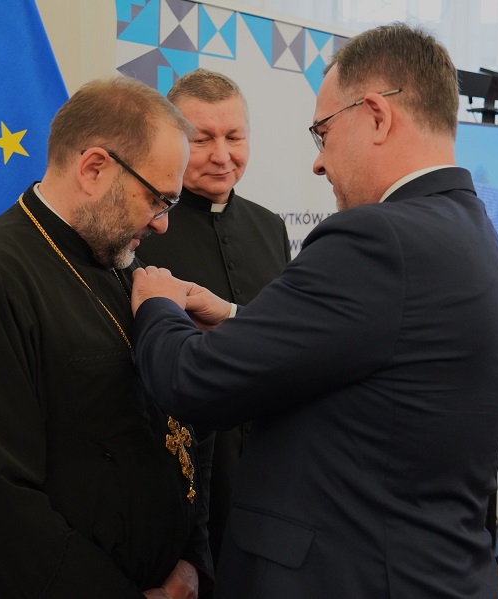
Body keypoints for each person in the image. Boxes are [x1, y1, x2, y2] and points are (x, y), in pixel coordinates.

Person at [128, 23, 498, 598]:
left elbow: (193, 381)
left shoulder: (377, 238)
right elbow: (362, 348)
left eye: (324, 133)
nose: (318, 163)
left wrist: (158, 305)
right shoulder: (472, 227)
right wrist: (236, 317)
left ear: (377, 116)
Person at [0, 76, 214, 598]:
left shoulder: (122, 260)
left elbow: (181, 427)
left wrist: (193, 559)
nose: (162, 225)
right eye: (157, 200)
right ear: (94, 168)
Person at [136, 68, 291, 577]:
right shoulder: (143, 229)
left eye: (235, 137)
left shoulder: (269, 226)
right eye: (202, 139)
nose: (222, 156)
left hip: (270, 467)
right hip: (177, 469)